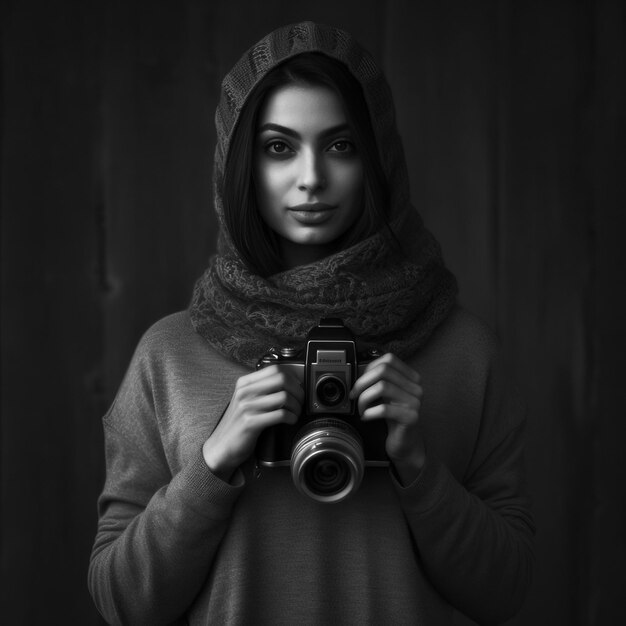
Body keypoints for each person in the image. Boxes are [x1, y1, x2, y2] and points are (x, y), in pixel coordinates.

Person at [88, 21, 534, 625]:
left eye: (340, 145)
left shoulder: (465, 353)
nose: (311, 178)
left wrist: (420, 469)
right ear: (240, 162)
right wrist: (215, 461)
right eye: (279, 147)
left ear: (378, 157)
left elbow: (507, 592)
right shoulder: (168, 355)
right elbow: (121, 603)